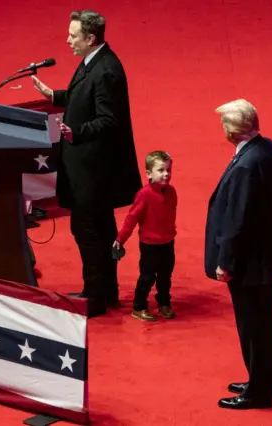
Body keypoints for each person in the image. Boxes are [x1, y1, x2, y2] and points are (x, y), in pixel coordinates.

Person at [32, 10, 142, 317]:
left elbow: (109, 119)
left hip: (94, 172)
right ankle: (105, 291)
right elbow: (85, 97)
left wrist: (76, 131)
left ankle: (94, 297)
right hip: (90, 169)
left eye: (73, 35)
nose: (67, 40)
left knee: (88, 230)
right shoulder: (95, 62)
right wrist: (54, 95)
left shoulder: (106, 70)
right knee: (102, 229)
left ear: (90, 38)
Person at [204, 99, 272, 409]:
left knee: (252, 325)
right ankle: (266, 378)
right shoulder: (268, 149)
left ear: (235, 130)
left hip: (248, 262)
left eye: (225, 124)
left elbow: (236, 221)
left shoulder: (245, 166)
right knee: (264, 321)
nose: (222, 129)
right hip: (265, 255)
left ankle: (257, 391)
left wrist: (225, 262)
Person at [114, 151, 177, 322]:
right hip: (150, 245)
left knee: (165, 276)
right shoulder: (144, 195)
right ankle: (139, 305)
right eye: (161, 170)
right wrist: (121, 239)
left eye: (168, 169)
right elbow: (131, 218)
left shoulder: (171, 192)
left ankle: (164, 302)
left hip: (168, 242)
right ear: (149, 173)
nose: (166, 174)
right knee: (147, 276)